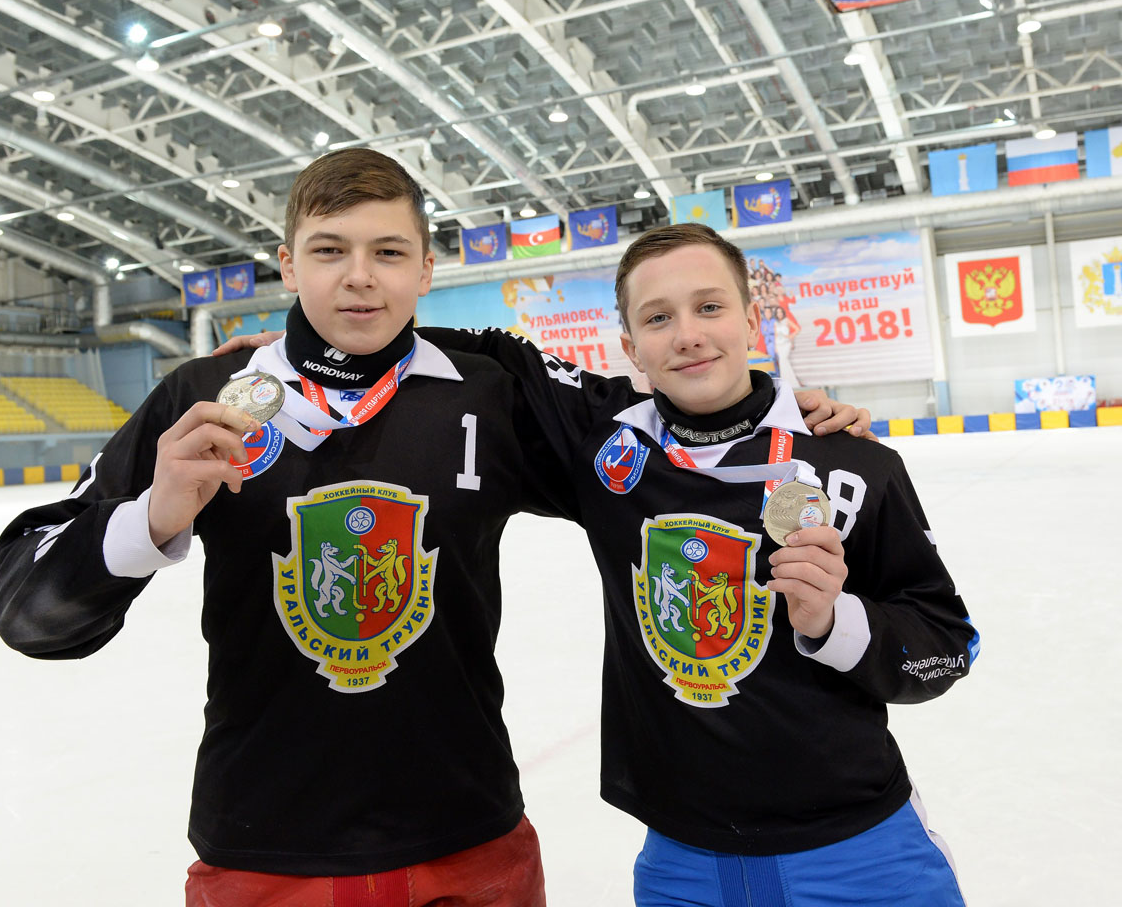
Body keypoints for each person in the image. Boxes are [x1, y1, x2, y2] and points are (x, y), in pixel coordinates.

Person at [0, 150, 867, 907]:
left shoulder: (495, 390)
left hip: (469, 839)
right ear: (288, 265)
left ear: (425, 270)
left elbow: (672, 441)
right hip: (267, 848)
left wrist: (785, 416)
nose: (359, 277)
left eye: (388, 252)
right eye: (329, 251)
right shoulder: (205, 397)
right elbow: (28, 611)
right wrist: (153, 515)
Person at [417, 223, 977, 905]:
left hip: (861, 855)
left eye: (709, 307)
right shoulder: (604, 448)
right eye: (658, 318)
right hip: (684, 866)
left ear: (752, 320)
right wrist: (313, 338)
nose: (687, 335)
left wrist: (834, 622)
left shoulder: (852, 463)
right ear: (631, 347)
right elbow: (494, 355)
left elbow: (946, 645)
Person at [773, 304, 801, 388]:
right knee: (782, 362)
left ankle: (792, 382)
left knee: (783, 360)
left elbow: (797, 329)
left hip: (786, 343)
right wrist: (775, 346)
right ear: (776, 314)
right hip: (779, 344)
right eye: (778, 312)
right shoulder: (775, 323)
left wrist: (791, 336)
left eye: (780, 312)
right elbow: (775, 335)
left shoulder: (787, 320)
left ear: (783, 313)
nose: (779, 314)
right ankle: (786, 381)